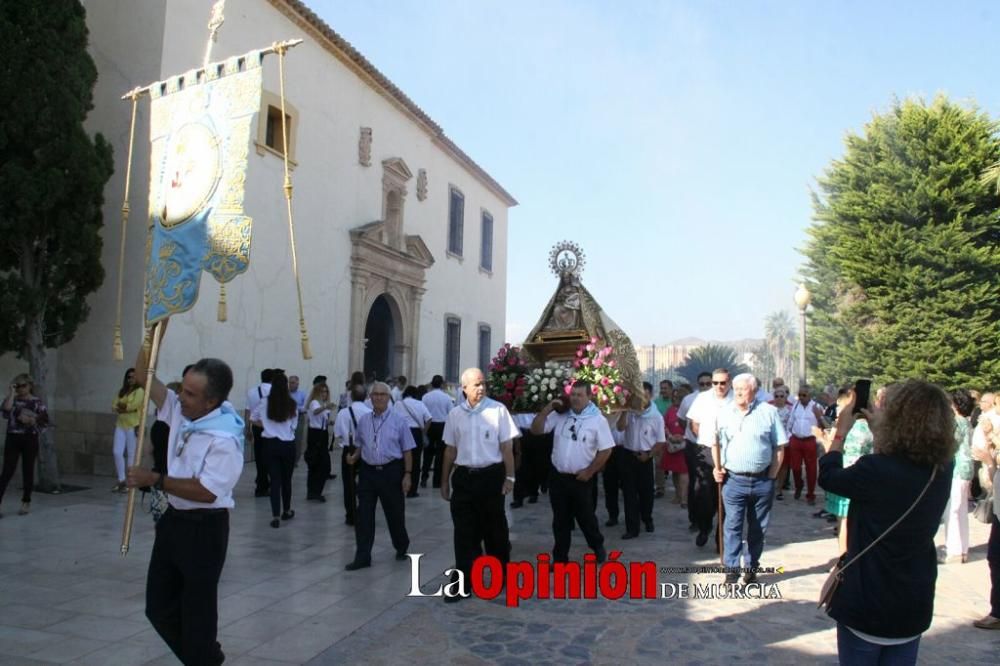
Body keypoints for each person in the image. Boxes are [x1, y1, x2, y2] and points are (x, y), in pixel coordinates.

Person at [126, 322, 244, 666]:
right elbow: (142, 376)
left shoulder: (225, 439)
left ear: (213, 401)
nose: (182, 398)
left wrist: (155, 479)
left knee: (198, 619)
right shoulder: (180, 410)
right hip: (174, 522)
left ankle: (203, 658)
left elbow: (207, 491)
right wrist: (154, 333)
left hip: (205, 530)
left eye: (191, 395)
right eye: (184, 390)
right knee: (158, 608)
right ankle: (205, 659)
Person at [817, 380, 954, 663]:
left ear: (896, 420)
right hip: (912, 602)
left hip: (869, 600)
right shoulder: (942, 468)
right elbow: (903, 460)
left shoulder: (874, 470)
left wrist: (839, 434)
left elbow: (829, 477)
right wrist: (878, 429)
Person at [440, 368, 518, 601]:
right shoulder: (455, 414)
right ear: (464, 388)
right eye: (476, 384)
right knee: (464, 533)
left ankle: (500, 574)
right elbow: (450, 450)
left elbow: (507, 447)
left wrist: (510, 477)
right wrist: (444, 481)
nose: (481, 388)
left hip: (491, 477)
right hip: (464, 478)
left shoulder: (498, 411)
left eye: (483, 383)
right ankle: (463, 582)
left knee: (495, 531)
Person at [712, 374, 787, 584]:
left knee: (757, 528)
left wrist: (771, 477)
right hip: (734, 480)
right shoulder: (724, 413)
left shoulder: (769, 412)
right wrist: (717, 468)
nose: (737, 393)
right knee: (732, 525)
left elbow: (779, 447)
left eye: (742, 389)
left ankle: (751, 567)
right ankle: (732, 570)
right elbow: (715, 443)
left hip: (762, 481)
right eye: (735, 389)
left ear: (753, 391)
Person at [531, 381, 613, 563]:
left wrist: (590, 471)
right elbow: (536, 430)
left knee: (586, 518)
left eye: (579, 395)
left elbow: (606, 450)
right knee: (560, 520)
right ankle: (560, 558)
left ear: (589, 397)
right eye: (573, 394)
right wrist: (548, 409)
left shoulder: (597, 420)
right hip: (558, 477)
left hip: (581, 478)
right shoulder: (560, 415)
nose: (575, 399)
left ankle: (597, 545)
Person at [344, 382, 415, 570]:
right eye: (374, 394)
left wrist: (407, 474)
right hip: (368, 472)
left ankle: (401, 545)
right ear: (370, 397)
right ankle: (363, 556)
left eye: (382, 394)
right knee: (364, 515)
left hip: (391, 471)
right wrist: (354, 457)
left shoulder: (399, 421)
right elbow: (361, 445)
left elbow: (407, 450)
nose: (378, 397)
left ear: (388, 397)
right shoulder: (364, 420)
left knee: (394, 514)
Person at [820, 389, 873, 556]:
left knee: (843, 522)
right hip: (865, 476)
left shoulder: (846, 427)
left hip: (844, 474)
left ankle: (843, 557)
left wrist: (822, 438)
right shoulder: (871, 427)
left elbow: (832, 451)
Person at [686, 368, 733, 547]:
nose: (719, 386)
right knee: (704, 495)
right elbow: (694, 423)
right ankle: (704, 527)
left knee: (725, 497)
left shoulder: (735, 399)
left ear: (729, 382)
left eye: (723, 383)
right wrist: (704, 439)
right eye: (716, 383)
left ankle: (720, 538)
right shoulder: (703, 398)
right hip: (705, 451)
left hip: (729, 453)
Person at [617, 382, 666, 539]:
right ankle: (632, 528)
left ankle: (647, 518)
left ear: (650, 396)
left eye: (643, 395)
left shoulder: (656, 416)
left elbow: (660, 441)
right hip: (627, 455)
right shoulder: (630, 412)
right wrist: (625, 411)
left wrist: (649, 455)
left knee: (646, 493)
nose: (640, 399)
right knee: (629, 494)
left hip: (645, 457)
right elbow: (620, 428)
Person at [251, 371, 298, 528]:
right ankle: (287, 509)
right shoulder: (291, 403)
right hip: (287, 444)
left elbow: (253, 418)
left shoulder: (264, 401)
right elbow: (293, 426)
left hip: (270, 444)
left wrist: (267, 426)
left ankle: (275, 515)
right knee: (287, 480)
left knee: (275, 480)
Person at [0, 374, 48, 517]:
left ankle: (26, 501)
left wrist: (32, 421)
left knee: (28, 470)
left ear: (30, 386)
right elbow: (6, 410)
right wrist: (11, 393)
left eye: (23, 385)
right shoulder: (13, 400)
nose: (20, 388)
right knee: (7, 471)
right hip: (13, 438)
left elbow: (44, 423)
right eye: (17, 385)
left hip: (29, 439)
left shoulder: (37, 403)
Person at [939, 390, 974, 564]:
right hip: (966, 469)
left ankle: (954, 551)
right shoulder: (967, 422)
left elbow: (950, 445)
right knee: (961, 511)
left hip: (957, 469)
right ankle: (962, 548)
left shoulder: (957, 423)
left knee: (952, 510)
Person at [333, 384, 371, 525]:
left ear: (351, 396)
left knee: (348, 483)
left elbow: (337, 434)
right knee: (365, 482)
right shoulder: (369, 412)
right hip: (366, 450)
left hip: (348, 449)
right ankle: (363, 511)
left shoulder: (343, 413)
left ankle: (350, 514)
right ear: (366, 396)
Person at [678, 371, 712, 530]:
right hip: (694, 445)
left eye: (708, 383)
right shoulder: (689, 399)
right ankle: (694, 519)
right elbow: (681, 419)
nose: (705, 386)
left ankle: (709, 516)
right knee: (696, 482)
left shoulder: (721, 400)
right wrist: (690, 434)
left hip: (714, 447)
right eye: (702, 384)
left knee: (710, 484)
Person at [786, 384, 826, 504]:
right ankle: (799, 485)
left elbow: (824, 425)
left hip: (810, 440)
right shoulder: (796, 406)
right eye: (800, 395)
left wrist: (819, 417)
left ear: (810, 395)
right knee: (796, 467)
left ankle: (810, 494)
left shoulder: (816, 406)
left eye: (804, 395)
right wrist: (789, 437)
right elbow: (790, 422)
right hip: (796, 439)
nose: (801, 397)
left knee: (811, 469)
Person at [111, 368, 144, 493]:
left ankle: (130, 483)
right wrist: (124, 407)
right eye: (129, 377)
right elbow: (114, 405)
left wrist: (123, 406)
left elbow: (133, 406)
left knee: (131, 454)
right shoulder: (122, 391)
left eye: (133, 377)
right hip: (120, 424)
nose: (131, 379)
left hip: (133, 424)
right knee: (117, 452)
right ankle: (121, 480)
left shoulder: (140, 390)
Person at [395, 385, 431, 498]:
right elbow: (429, 418)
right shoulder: (420, 404)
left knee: (400, 461)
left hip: (401, 432)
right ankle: (412, 491)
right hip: (416, 433)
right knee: (415, 463)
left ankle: (399, 487)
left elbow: (392, 417)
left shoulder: (398, 403)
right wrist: (424, 432)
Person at [422, 375, 455, 488]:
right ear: (441, 384)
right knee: (441, 454)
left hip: (430, 425)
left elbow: (423, 412)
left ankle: (424, 478)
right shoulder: (446, 397)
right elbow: (451, 413)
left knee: (427, 453)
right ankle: (437, 481)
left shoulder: (426, 397)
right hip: (442, 426)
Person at [304, 382, 335, 502]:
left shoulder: (323, 404)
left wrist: (329, 422)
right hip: (315, 434)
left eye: (326, 392)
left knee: (322, 464)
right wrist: (326, 407)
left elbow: (321, 417)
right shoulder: (314, 402)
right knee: (316, 463)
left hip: (322, 433)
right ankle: (313, 491)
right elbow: (316, 411)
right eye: (322, 392)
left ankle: (315, 490)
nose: (325, 394)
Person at [245, 369, 273, 497]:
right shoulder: (275, 391)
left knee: (259, 456)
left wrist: (248, 428)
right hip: (271, 427)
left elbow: (248, 411)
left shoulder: (251, 392)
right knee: (271, 457)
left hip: (256, 426)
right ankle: (269, 482)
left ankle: (261, 484)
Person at [662, 386, 689, 507]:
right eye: (674, 396)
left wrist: (682, 437)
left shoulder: (690, 409)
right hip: (672, 445)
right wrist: (670, 435)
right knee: (675, 472)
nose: (675, 398)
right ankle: (677, 496)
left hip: (685, 445)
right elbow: (664, 424)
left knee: (684, 472)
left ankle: (684, 498)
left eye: (678, 396)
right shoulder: (670, 410)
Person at [769, 386, 793, 500]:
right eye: (776, 396)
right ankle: (768, 487)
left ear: (786, 397)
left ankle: (779, 490)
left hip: (784, 442)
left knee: (783, 466)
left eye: (781, 396)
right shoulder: (768, 409)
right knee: (769, 464)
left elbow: (791, 426)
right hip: (769, 442)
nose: (779, 398)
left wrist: (787, 439)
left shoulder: (790, 410)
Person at [288, 375, 307, 463]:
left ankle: (295, 460)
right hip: (286, 418)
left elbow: (305, 407)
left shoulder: (302, 394)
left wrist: (295, 408)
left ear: (297, 384)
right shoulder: (285, 393)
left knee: (297, 439)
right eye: (289, 383)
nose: (290, 385)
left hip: (299, 417)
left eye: (292, 383)